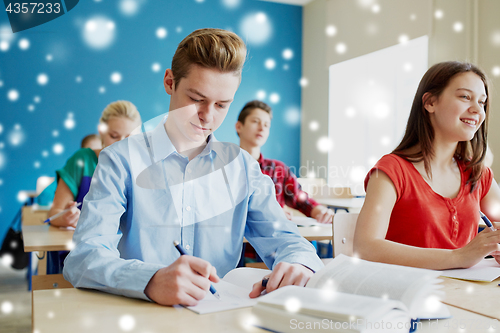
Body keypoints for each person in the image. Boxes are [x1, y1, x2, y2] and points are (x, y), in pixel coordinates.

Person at [63, 28, 323, 306]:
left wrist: (299, 263)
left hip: (220, 316)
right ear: (169, 82)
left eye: (222, 105)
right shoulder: (120, 159)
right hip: (142, 316)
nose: (207, 116)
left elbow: (288, 240)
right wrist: (150, 280)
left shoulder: (243, 168)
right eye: (196, 99)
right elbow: (83, 258)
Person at [354, 61, 500, 270]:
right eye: (465, 97)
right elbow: (366, 248)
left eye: (482, 102)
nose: (477, 110)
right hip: (405, 294)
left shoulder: (477, 173)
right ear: (430, 102)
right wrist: (458, 257)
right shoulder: (392, 170)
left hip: (461, 294)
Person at [236, 100, 334, 223]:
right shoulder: (226, 167)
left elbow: (299, 198)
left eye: (266, 125)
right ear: (239, 126)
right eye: (256, 121)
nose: (262, 128)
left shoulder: (278, 169)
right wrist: (270, 211)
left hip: (274, 239)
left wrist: (320, 211)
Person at [48, 100, 141, 228]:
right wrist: (66, 218)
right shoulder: (82, 161)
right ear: (101, 132)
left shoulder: (143, 168)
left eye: (129, 137)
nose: (121, 144)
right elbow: (54, 214)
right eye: (114, 136)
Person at [36, 133, 103, 206]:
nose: (93, 156)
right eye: (90, 152)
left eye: (99, 151)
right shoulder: (71, 177)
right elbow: (45, 197)